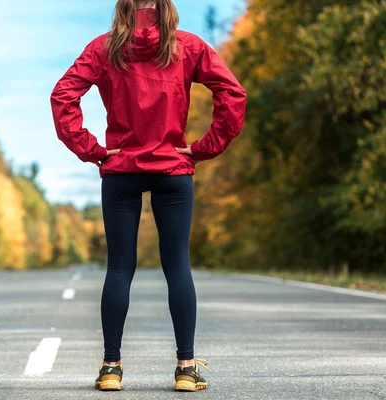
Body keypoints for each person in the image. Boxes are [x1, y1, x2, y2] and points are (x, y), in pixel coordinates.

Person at [50, 0, 246, 392]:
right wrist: (205, 147)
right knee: (178, 267)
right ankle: (186, 369)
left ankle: (111, 368)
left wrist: (93, 150)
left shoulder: (103, 50)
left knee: (119, 268)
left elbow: (63, 97)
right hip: (173, 169)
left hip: (121, 170)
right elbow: (232, 94)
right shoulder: (187, 47)